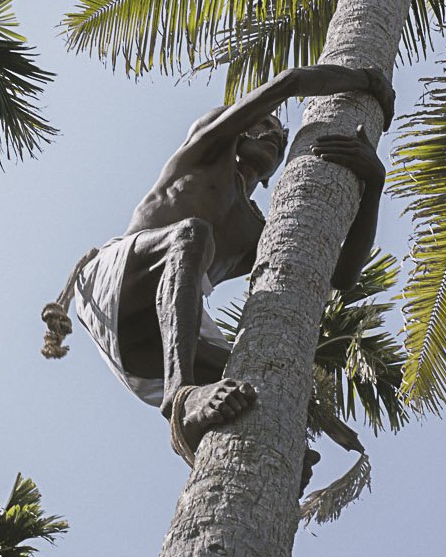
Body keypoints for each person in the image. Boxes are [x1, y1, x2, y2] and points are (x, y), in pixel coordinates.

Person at [41, 63, 393, 465]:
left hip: (155, 347)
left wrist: (374, 184)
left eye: (281, 139)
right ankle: (181, 401)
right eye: (265, 126)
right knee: (193, 234)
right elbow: (290, 83)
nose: (274, 137)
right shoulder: (207, 150)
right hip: (118, 283)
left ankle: (277, 457)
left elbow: (341, 276)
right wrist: (367, 81)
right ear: (239, 132)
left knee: (264, 373)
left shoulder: (258, 232)